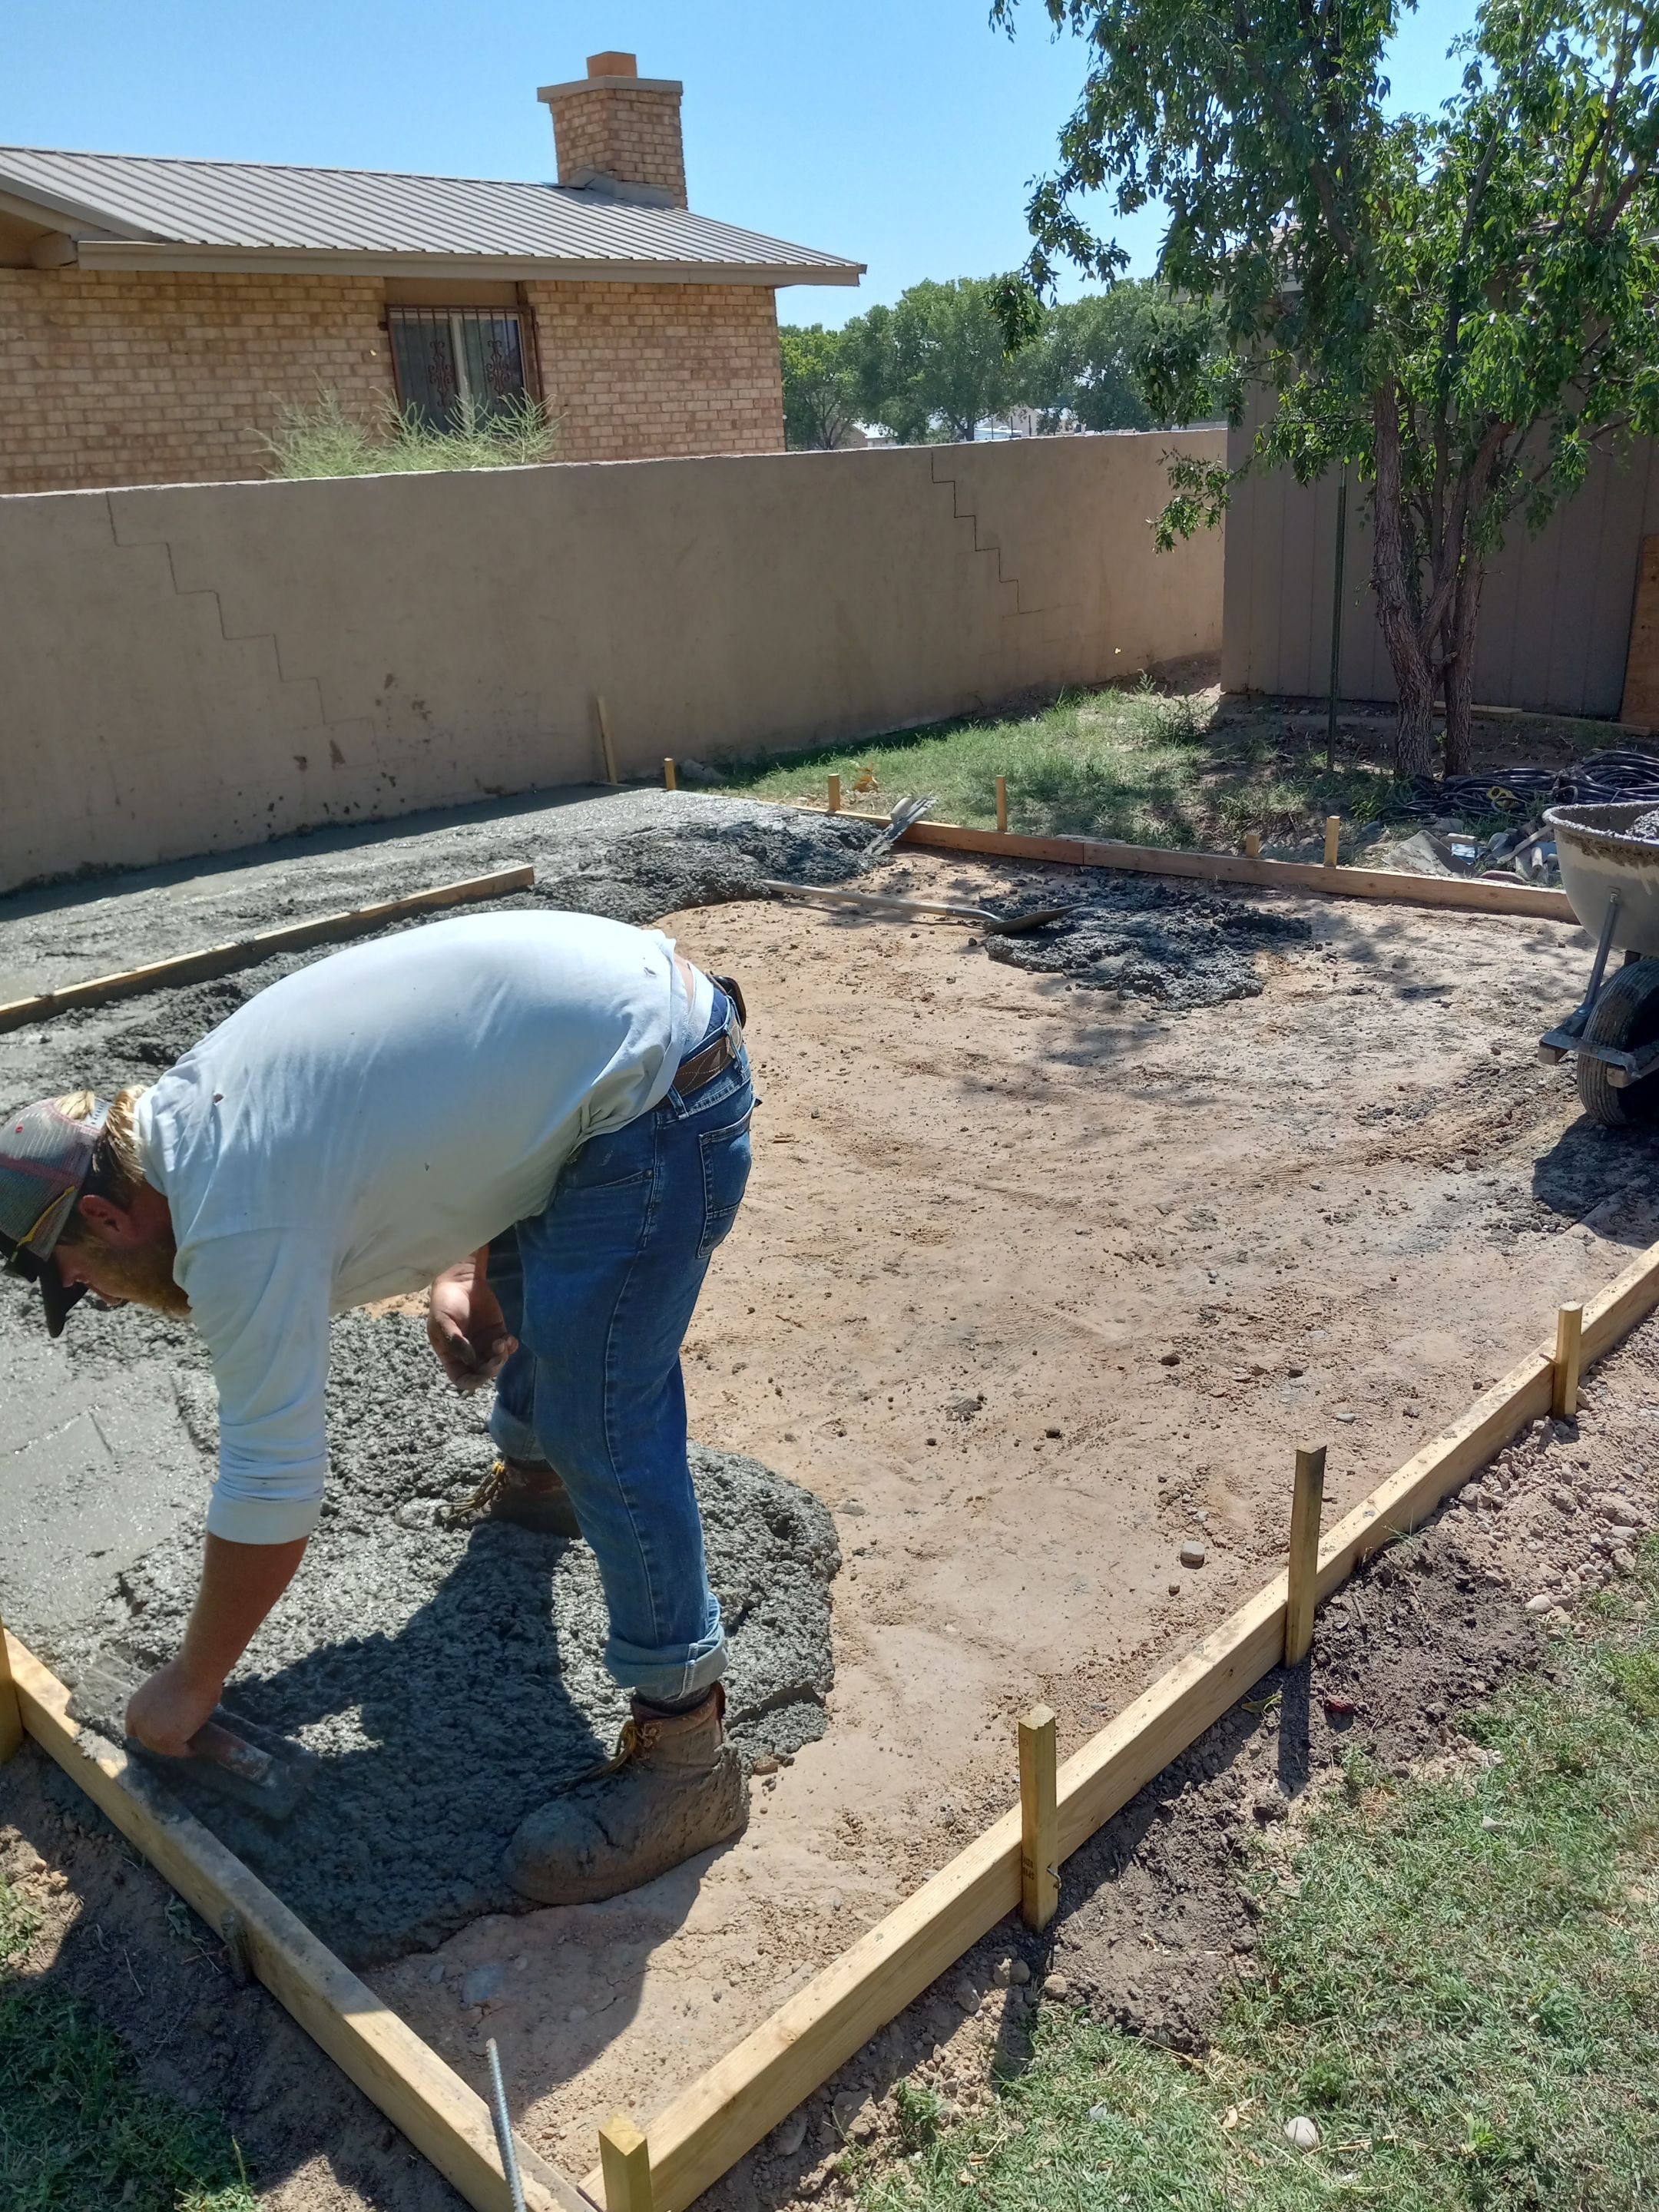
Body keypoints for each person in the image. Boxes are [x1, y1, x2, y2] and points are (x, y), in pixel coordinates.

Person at [0, 909, 754, 1903]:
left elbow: (272, 1489)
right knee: (552, 1319)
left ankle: (690, 1761)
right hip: (606, 1052)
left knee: (603, 1417)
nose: (97, 1295)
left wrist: (192, 1684)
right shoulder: (186, 1119)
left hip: (661, 1098)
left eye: (82, 1275)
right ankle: (539, 1490)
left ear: (104, 1214)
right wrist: (475, 1277)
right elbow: (464, 1111)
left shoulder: (231, 1219)